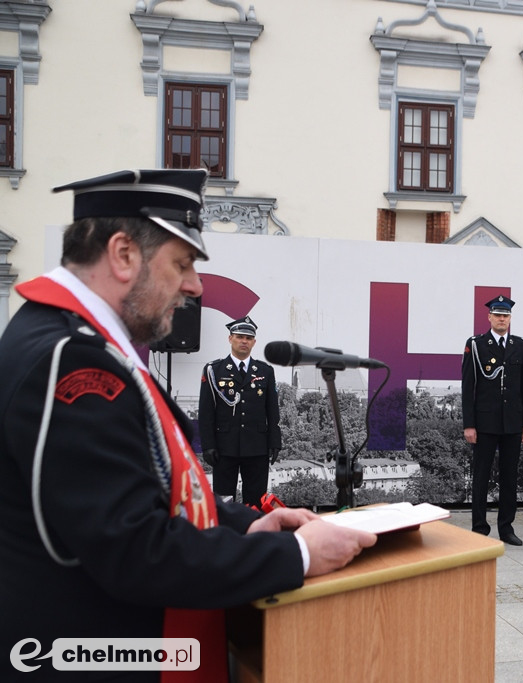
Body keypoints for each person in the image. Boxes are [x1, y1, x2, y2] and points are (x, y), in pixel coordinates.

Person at [0, 169, 375, 681]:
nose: (195, 287)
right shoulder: (72, 364)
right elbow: (135, 550)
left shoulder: (80, 342)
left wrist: (246, 525)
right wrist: (295, 554)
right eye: (182, 264)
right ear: (123, 254)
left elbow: (160, 487)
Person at [462, 295, 523, 545]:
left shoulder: (520, 345)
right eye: (498, 315)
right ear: (489, 317)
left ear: (510, 319)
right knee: (481, 476)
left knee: (509, 477)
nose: (502, 319)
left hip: (512, 422)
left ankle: (506, 528)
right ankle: (479, 527)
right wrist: (469, 424)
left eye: (506, 315)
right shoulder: (476, 344)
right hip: (485, 423)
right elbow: (468, 386)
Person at [198, 315, 281, 507]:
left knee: (257, 501)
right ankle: (226, 536)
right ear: (230, 339)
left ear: (254, 342)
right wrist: (208, 445)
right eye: (239, 336)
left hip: (257, 447)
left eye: (248, 338)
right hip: (224, 447)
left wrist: (274, 441)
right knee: (224, 502)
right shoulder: (214, 370)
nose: (244, 341)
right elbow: (206, 412)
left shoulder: (265, 371)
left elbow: (272, 409)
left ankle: (254, 535)